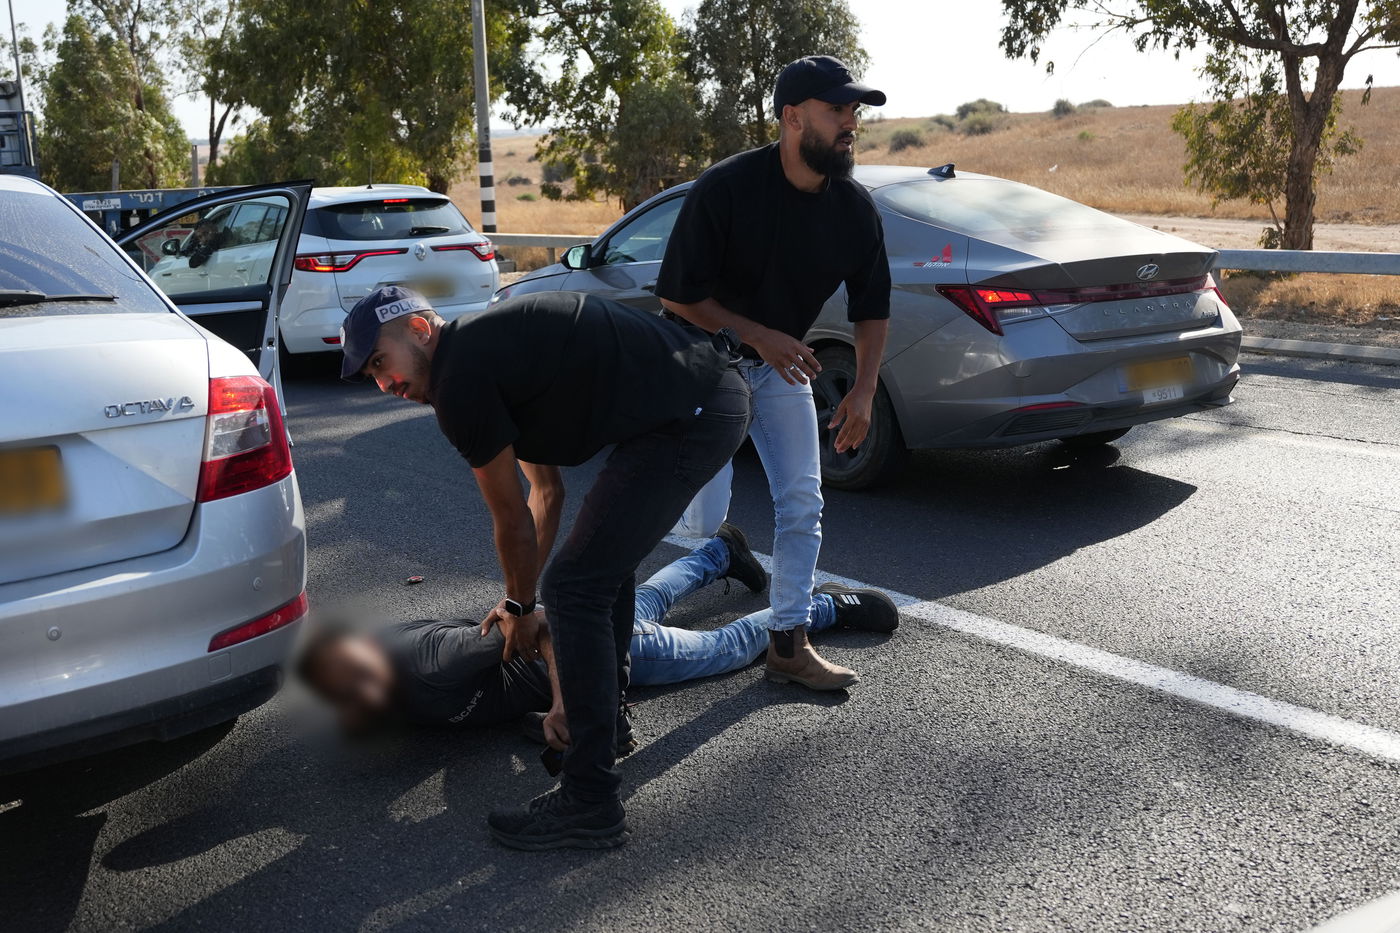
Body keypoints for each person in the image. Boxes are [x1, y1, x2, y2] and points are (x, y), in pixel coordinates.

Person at [339, 285, 749, 850]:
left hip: (694, 412)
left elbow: (510, 519)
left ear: (419, 329)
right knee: (599, 568)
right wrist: (517, 601)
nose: (385, 384)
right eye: (371, 377)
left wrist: (523, 604)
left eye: (381, 362)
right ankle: (604, 724)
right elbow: (546, 494)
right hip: (694, 405)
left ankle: (589, 801)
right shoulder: (489, 356)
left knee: (576, 586)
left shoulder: (461, 379)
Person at [654, 55, 892, 692]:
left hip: (779, 371)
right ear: (792, 118)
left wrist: (864, 391)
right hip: (701, 367)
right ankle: (602, 616)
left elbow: (873, 307)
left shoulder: (853, 208)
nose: (851, 124)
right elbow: (679, 298)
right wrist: (760, 333)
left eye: (854, 112)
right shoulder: (727, 188)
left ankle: (788, 642)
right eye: (837, 110)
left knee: (801, 503)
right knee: (692, 521)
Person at [297, 526, 900, 742]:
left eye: (352, 691)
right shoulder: (383, 693)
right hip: (592, 626)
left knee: (723, 649)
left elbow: (546, 630)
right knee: (652, 598)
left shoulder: (430, 664)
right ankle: (721, 552)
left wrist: (567, 702)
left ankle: (823, 610)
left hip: (594, 650)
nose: (352, 710)